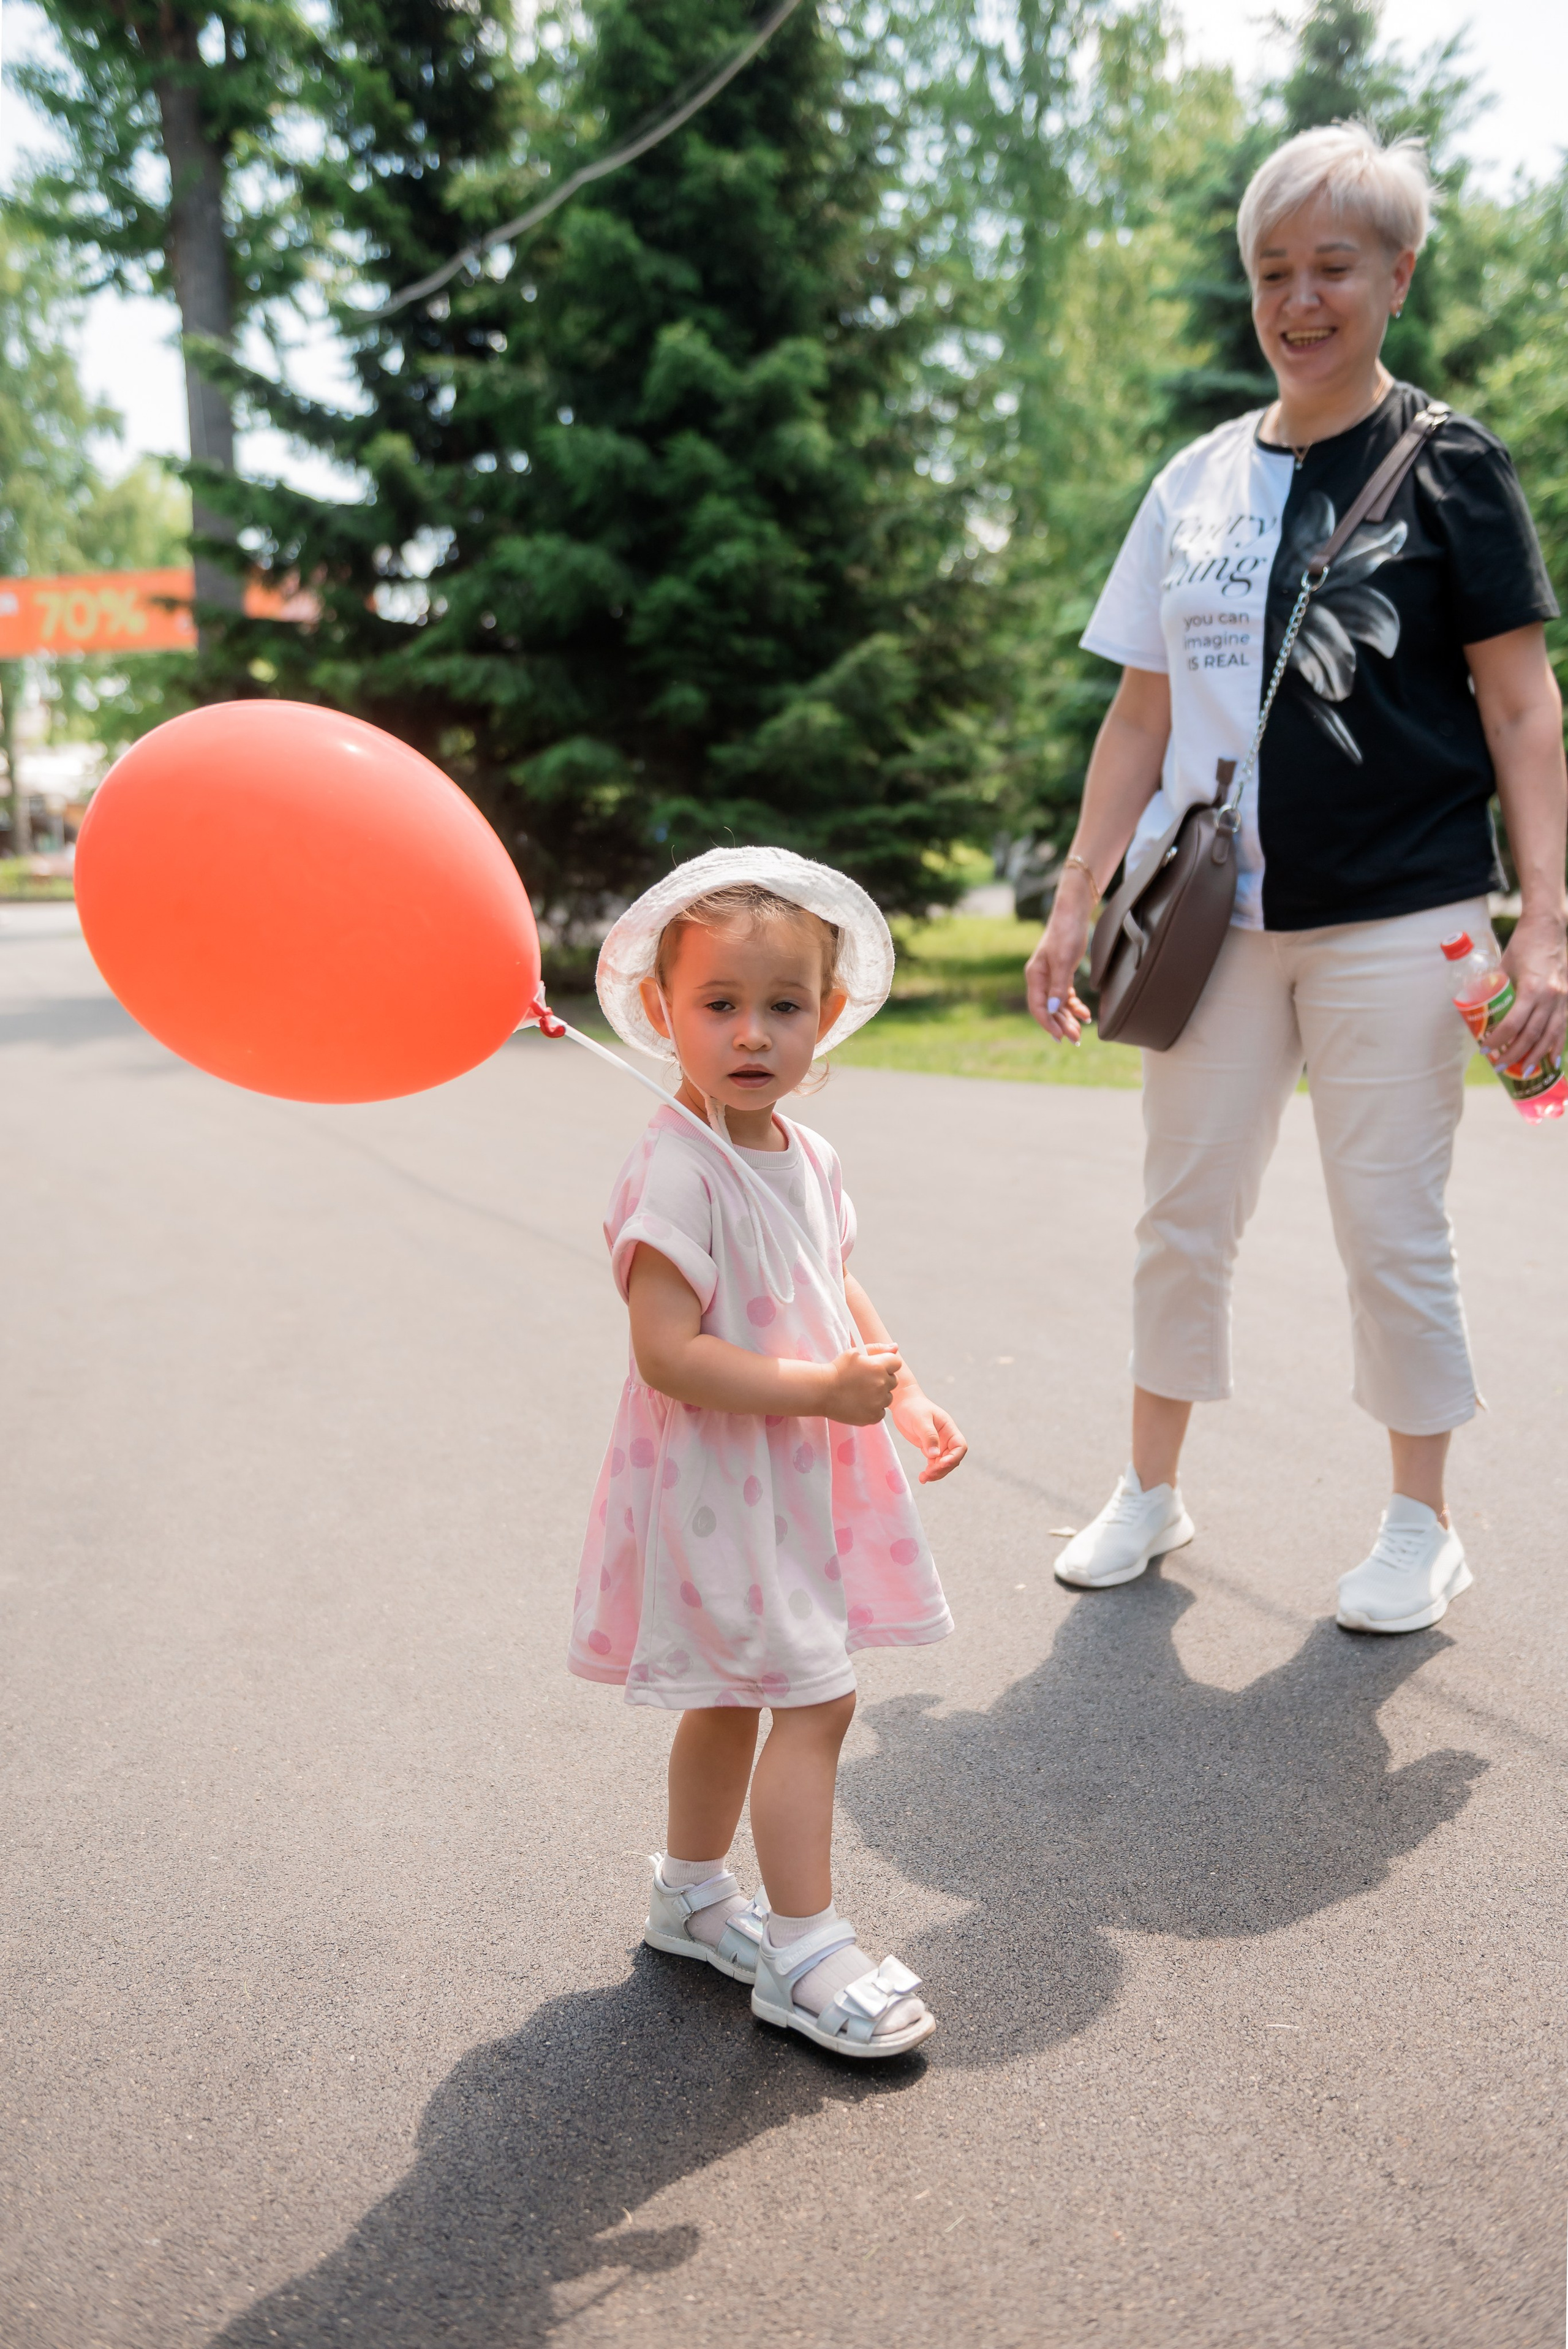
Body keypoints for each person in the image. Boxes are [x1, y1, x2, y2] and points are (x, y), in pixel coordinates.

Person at [1024, 123, 1567, 1633]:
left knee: (1388, 1220)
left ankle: (1418, 1523)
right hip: (1211, 923)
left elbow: (1523, 710)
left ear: (1395, 276)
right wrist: (1076, 890)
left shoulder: (1453, 468)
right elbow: (1137, 711)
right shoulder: (1192, 483)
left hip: (1400, 913)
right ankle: (1148, 1488)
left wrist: (1545, 927)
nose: (1298, 298)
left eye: (1332, 266)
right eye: (1271, 270)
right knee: (1179, 1209)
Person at [569, 847, 967, 2057]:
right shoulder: (673, 1173)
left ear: (825, 1016)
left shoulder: (807, 1155)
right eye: (719, 1006)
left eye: (781, 1007)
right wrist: (820, 1391)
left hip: (794, 1471)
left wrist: (896, 1390)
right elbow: (667, 1355)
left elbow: (827, 1277)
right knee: (815, 1694)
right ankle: (802, 1947)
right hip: (715, 1487)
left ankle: (691, 1895)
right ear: (661, 1013)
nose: (752, 1035)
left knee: (737, 1697)